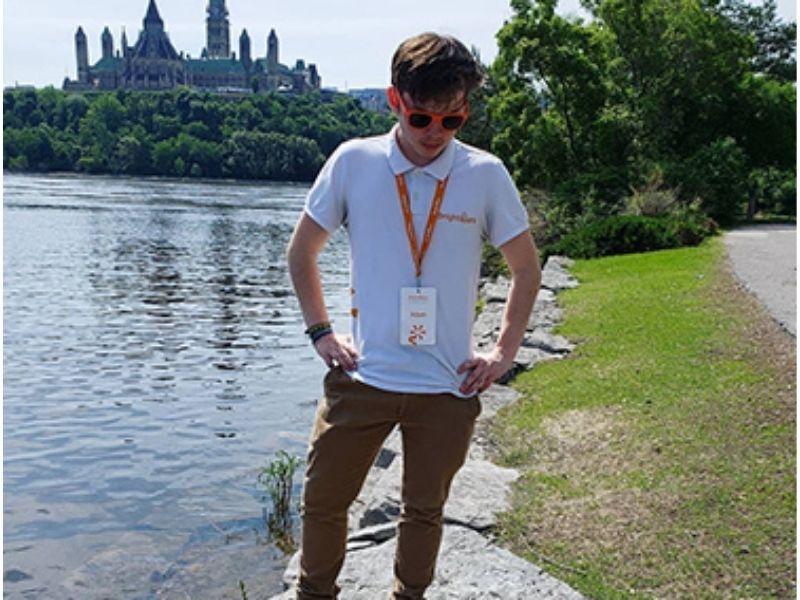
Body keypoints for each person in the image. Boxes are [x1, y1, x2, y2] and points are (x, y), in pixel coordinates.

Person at [286, 32, 541, 600]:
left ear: (465, 110)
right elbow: (301, 252)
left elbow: (526, 268)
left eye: (452, 121)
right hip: (363, 377)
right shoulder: (354, 162)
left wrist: (503, 353)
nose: (435, 134)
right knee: (323, 501)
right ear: (394, 100)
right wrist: (321, 331)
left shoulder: (485, 175)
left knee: (424, 511)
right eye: (421, 118)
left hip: (446, 385)